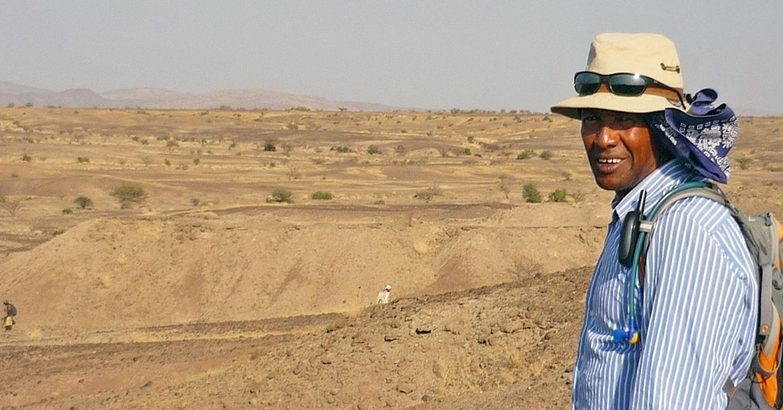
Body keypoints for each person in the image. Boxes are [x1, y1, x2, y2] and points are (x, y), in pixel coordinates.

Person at [551, 33, 756, 409]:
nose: (603, 138)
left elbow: (673, 398)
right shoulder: (643, 213)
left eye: (625, 120)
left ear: (664, 128)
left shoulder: (686, 230)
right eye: (593, 118)